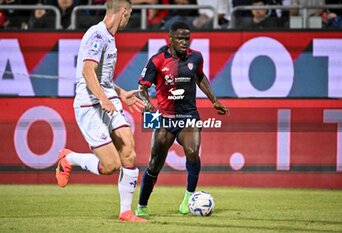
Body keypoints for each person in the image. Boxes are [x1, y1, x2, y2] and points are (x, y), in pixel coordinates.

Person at [55, 0, 146, 223]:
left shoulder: (110, 38)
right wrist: (104, 99)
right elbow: (87, 71)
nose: (128, 19)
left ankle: (126, 212)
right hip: (89, 105)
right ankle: (69, 158)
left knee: (129, 152)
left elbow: (102, 78)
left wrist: (120, 92)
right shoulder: (97, 35)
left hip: (108, 99)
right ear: (124, 11)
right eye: (130, 14)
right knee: (111, 165)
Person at [135, 21, 228, 217]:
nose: (184, 42)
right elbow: (142, 87)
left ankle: (187, 200)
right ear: (170, 38)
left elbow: (200, 77)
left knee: (193, 151)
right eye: (180, 38)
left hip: (189, 116)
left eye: (187, 38)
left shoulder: (196, 57)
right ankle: (142, 206)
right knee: (154, 164)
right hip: (166, 118)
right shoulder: (157, 60)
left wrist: (214, 100)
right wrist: (147, 102)